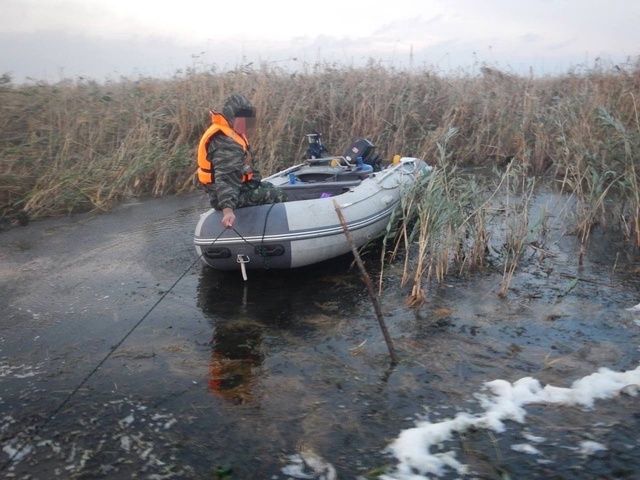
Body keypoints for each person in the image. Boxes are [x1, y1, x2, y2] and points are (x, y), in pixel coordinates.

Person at [196, 94, 286, 228]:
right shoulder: (226, 142)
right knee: (278, 195)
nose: (248, 124)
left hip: (239, 188)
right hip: (225, 197)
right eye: (244, 118)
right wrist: (227, 210)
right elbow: (225, 179)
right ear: (233, 117)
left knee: (268, 187)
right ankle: (273, 228)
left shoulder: (231, 132)